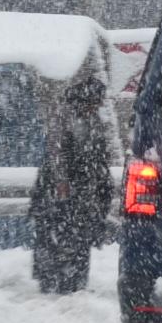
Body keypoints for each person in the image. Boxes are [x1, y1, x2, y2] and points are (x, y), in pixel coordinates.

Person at [30, 72, 113, 294]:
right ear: (86, 100)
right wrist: (63, 184)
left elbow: (96, 156)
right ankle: (59, 282)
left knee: (75, 238)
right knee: (62, 237)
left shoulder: (88, 119)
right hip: (63, 193)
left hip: (78, 192)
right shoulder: (65, 117)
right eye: (95, 102)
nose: (97, 107)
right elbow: (57, 154)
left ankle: (73, 281)